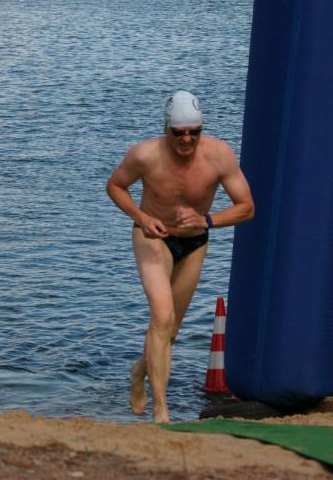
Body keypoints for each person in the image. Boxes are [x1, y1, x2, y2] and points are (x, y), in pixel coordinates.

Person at [105, 90, 254, 423]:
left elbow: (247, 208)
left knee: (170, 332)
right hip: (152, 238)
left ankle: (139, 371)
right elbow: (115, 185)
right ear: (166, 129)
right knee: (161, 316)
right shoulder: (145, 154)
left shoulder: (219, 156)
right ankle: (161, 410)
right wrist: (141, 217)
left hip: (194, 243)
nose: (187, 139)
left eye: (194, 132)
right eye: (179, 133)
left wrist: (207, 220)